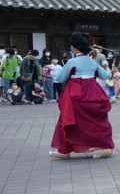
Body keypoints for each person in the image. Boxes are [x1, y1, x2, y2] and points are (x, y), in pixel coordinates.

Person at [49, 32, 114, 160]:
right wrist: (110, 71)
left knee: (68, 121)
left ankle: (65, 150)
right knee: (96, 121)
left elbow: (61, 78)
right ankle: (103, 146)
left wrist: (53, 73)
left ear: (73, 47)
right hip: (93, 92)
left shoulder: (71, 62)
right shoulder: (92, 61)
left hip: (75, 93)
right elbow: (105, 75)